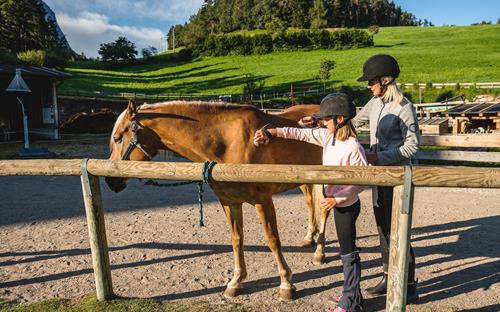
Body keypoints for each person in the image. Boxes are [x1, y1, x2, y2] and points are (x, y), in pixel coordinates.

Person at [254, 93, 368, 312]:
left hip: (346, 206)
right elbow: (300, 134)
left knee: (348, 253)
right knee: (347, 251)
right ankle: (352, 294)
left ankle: (351, 302)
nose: (323, 123)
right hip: (336, 205)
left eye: (326, 119)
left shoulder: (354, 148)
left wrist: (337, 198)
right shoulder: (329, 138)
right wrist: (272, 131)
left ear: (340, 119)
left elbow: (361, 182)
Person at [354, 54, 421, 302]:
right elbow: (352, 122)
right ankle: (387, 275)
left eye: (371, 81)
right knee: (383, 228)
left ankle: (410, 284)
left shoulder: (404, 107)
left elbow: (413, 146)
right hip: (379, 176)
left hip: (398, 178)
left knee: (398, 231)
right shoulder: (374, 103)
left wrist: (378, 158)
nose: (368, 86)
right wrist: (322, 119)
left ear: (385, 80)